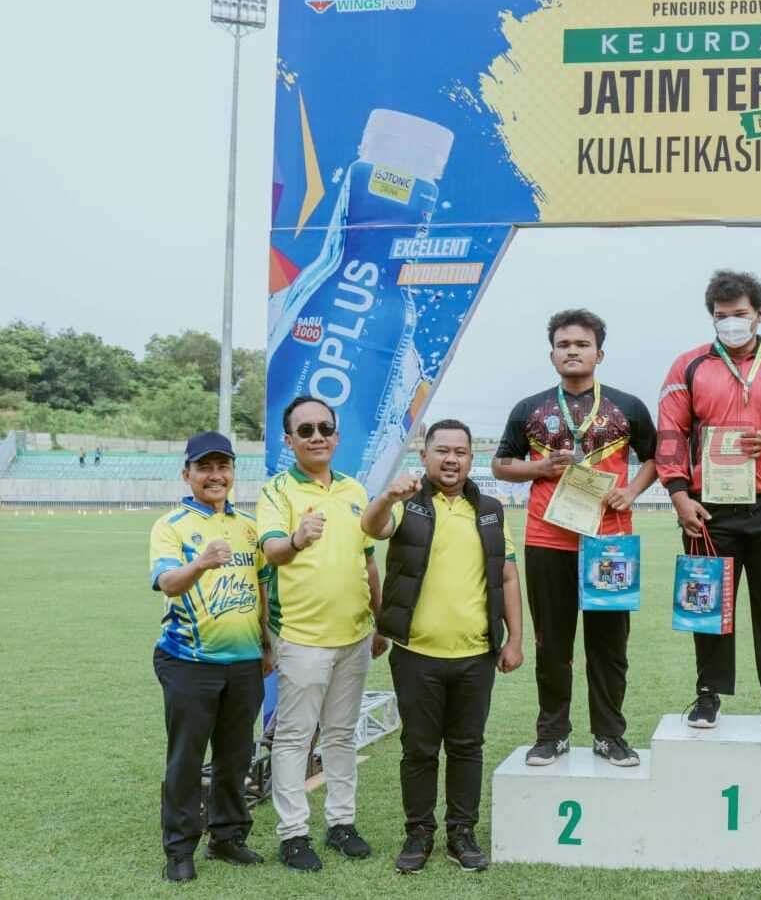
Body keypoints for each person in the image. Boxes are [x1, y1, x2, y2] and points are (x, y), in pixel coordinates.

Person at [657, 270, 761, 729]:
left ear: (759, 315)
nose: (730, 323)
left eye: (740, 314)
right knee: (706, 601)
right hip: (708, 508)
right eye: (721, 316)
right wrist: (678, 494)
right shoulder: (688, 365)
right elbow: (671, 433)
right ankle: (708, 694)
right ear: (711, 318)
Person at [493, 309, 658, 767]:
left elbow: (656, 458)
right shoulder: (530, 409)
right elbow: (501, 464)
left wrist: (631, 491)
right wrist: (539, 468)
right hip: (548, 539)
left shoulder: (628, 406)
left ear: (599, 353)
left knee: (609, 646)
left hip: (610, 541)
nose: (572, 351)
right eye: (564, 345)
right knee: (552, 642)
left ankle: (609, 735)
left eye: (581, 345)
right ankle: (552, 734)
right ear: (552, 354)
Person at [363, 418, 525, 874]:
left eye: (460, 452)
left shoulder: (490, 509)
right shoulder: (406, 503)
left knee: (467, 746)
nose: (451, 459)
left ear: (471, 459)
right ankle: (418, 833)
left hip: (476, 655)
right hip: (417, 655)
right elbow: (372, 528)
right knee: (418, 748)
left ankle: (461, 832)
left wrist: (516, 639)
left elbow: (509, 575)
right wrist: (385, 497)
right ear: (425, 455)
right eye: (442, 451)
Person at [257, 396, 387, 872]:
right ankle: (293, 834)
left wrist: (380, 621)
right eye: (305, 430)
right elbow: (271, 551)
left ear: (336, 435)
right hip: (303, 638)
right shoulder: (276, 492)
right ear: (289, 440)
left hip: (355, 637)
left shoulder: (355, 489)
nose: (316, 437)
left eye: (324, 428)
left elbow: (369, 561)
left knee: (340, 735)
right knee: (294, 739)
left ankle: (341, 823)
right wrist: (296, 537)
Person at [149, 431, 271, 882]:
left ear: (233, 472)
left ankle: (228, 836)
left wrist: (266, 643)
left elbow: (260, 586)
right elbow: (166, 583)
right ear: (188, 474)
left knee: (236, 756)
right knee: (185, 759)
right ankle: (179, 849)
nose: (215, 475)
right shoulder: (172, 525)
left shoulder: (248, 526)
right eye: (205, 467)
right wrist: (200, 563)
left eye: (223, 467)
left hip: (244, 663)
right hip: (188, 662)